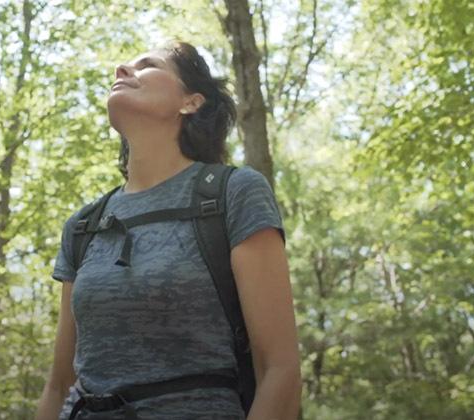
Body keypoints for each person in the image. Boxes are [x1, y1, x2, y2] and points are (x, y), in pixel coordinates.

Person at [34, 41, 300, 419]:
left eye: (148, 65)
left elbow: (279, 370)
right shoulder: (83, 225)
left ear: (191, 102)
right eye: (125, 65)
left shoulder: (233, 193)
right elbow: (59, 386)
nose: (122, 70)